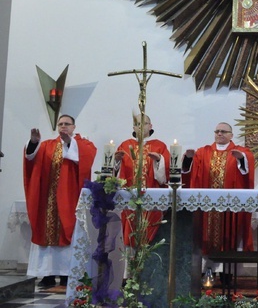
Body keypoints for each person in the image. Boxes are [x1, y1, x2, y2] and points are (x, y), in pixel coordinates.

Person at [23, 114, 97, 288]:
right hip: (47, 199)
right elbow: (30, 158)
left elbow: (85, 158)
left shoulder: (83, 144)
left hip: (69, 197)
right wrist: (33, 142)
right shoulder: (48, 145)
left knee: (69, 231)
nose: (63, 127)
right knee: (45, 232)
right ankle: (46, 274)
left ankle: (66, 274)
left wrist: (70, 143)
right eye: (60, 124)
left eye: (67, 124)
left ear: (74, 127)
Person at [182, 122, 255, 283]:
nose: (220, 134)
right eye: (217, 131)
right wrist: (188, 159)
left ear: (231, 135)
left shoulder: (240, 152)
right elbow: (189, 171)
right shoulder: (203, 152)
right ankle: (206, 271)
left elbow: (246, 172)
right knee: (205, 236)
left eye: (223, 131)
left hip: (229, 207)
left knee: (228, 235)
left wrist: (241, 159)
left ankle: (226, 272)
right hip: (208, 207)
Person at [114, 114, 171, 246]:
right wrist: (116, 160)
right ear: (133, 127)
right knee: (130, 231)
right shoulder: (125, 145)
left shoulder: (159, 146)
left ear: (150, 126)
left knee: (151, 234)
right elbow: (117, 172)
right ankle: (132, 263)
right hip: (130, 197)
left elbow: (164, 176)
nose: (140, 127)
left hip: (151, 197)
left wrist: (158, 160)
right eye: (137, 124)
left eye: (144, 123)